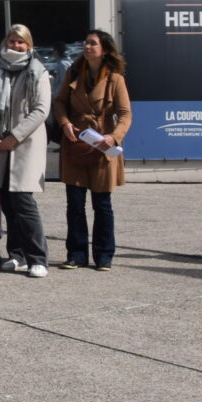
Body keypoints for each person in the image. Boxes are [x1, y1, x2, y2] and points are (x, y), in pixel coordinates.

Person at [54, 30, 132, 271]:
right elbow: (60, 103)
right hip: (76, 141)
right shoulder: (74, 72)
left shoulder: (115, 78)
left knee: (102, 204)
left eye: (93, 43)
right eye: (86, 43)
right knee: (75, 204)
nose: (87, 47)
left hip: (102, 145)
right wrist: (65, 123)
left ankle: (104, 255)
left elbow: (125, 114)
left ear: (105, 49)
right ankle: (76, 254)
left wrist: (114, 137)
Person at [0, 25, 52, 277]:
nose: (16, 46)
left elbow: (41, 110)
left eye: (21, 42)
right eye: (12, 41)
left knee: (23, 202)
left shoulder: (38, 71)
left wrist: (14, 136)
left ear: (29, 45)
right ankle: (17, 255)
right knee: (8, 203)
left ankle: (38, 258)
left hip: (25, 144)